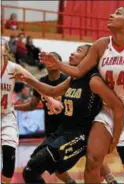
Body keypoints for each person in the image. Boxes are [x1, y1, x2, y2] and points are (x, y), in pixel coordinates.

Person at [39, 7, 124, 183]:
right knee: (93, 160)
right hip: (108, 110)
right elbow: (79, 71)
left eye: (118, 14)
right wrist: (58, 64)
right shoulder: (101, 45)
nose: (111, 15)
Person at [12, 44, 123, 184]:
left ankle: (110, 179)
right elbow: (52, 91)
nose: (72, 53)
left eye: (79, 51)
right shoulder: (72, 79)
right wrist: (28, 80)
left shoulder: (93, 80)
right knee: (30, 171)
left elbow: (119, 108)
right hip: (61, 131)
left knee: (37, 168)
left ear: (89, 59)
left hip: (80, 135)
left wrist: (115, 140)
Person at [14, 52, 77, 184]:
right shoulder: (41, 82)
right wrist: (13, 107)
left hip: (68, 131)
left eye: (52, 59)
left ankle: (110, 178)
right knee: (57, 169)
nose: (49, 62)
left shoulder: (68, 80)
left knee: (35, 167)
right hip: (51, 131)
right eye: (47, 60)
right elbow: (32, 105)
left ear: (59, 63)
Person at [0, 38, 36, 183]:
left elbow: (35, 82)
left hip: (6, 116)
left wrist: (51, 99)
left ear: (5, 49)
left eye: (0, 44)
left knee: (9, 156)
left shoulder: (13, 68)